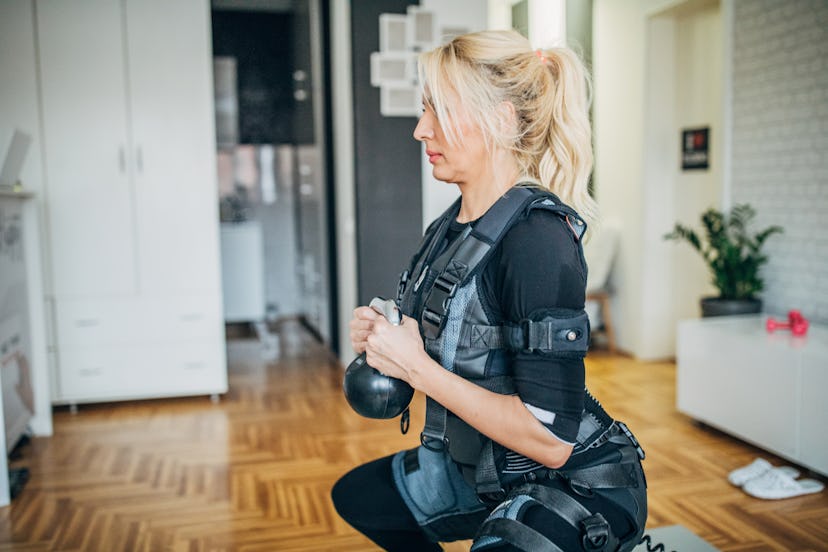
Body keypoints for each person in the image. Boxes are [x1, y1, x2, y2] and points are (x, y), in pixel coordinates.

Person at [332, 29, 647, 551]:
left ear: (500, 120)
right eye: (422, 109)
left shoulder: (538, 241)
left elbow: (550, 441)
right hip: (485, 464)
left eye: (437, 110)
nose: (419, 129)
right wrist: (385, 337)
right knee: (363, 496)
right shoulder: (447, 229)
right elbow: (450, 340)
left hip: (575, 486)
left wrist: (415, 367)